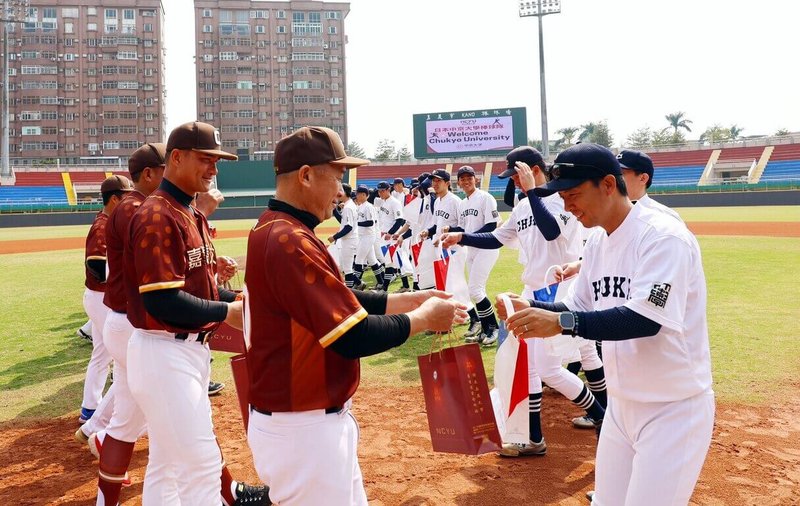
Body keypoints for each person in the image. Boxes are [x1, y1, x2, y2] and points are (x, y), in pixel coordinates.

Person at [244, 126, 467, 505]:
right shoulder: (289, 239)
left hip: (307, 422)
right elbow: (353, 336)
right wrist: (424, 318)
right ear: (306, 175)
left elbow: (336, 295)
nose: (341, 191)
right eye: (337, 177)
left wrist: (408, 300)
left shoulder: (279, 227)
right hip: (303, 429)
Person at [500, 143, 714, 505]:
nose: (568, 205)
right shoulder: (598, 240)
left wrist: (561, 322)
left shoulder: (663, 237)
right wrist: (530, 305)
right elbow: (578, 303)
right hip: (621, 405)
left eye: (574, 194)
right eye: (562, 196)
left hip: (672, 408)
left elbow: (645, 319)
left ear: (609, 185)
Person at [125, 122, 269, 505]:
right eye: (206, 159)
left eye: (216, 161)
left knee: (167, 465)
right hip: (163, 352)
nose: (214, 169)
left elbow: (197, 290)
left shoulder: (189, 212)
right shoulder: (158, 214)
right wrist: (228, 311)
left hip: (183, 352)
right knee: (201, 468)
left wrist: (235, 299)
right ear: (176, 157)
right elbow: (162, 300)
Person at [441, 146, 606, 457]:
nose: (514, 181)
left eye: (516, 174)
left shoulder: (562, 199)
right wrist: (462, 236)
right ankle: (537, 435)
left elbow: (552, 231)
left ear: (533, 170)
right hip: (533, 290)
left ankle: (599, 416)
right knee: (534, 365)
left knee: (550, 366)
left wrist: (532, 192)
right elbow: (498, 237)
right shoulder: (522, 206)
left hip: (563, 291)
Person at [78, 175, 135, 425]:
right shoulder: (103, 225)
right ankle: (100, 417)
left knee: (102, 354)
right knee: (127, 360)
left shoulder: (109, 221)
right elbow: (95, 264)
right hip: (101, 298)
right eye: (126, 197)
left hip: (100, 297)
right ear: (114, 199)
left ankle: (90, 408)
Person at [452, 165, 502, 345]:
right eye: (462, 179)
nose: (466, 181)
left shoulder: (485, 198)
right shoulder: (463, 202)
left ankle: (493, 328)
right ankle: (486, 328)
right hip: (471, 249)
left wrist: (467, 238)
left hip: (487, 248)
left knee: (475, 289)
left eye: (469, 178)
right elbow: (463, 229)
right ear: (458, 182)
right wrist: (449, 231)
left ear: (476, 179)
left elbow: (491, 225)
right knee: (476, 291)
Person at [617, 149, 683, 221]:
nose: (612, 178)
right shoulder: (605, 216)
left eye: (620, 173)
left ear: (643, 178)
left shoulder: (666, 217)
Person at [374, 181, 408, 291]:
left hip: (392, 237)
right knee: (392, 262)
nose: (380, 193)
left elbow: (399, 220)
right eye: (379, 191)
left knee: (393, 262)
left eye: (382, 191)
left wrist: (390, 233)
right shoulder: (383, 202)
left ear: (389, 190)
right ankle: (405, 286)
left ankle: (385, 288)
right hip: (385, 237)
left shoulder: (395, 202)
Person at [328, 183, 360, 288]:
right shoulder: (348, 205)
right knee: (343, 267)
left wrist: (334, 237)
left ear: (345, 193)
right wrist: (334, 209)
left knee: (347, 269)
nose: (338, 194)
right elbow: (343, 222)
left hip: (349, 240)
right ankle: (359, 283)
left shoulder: (348, 207)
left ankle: (350, 292)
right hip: (348, 239)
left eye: (339, 191)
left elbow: (348, 227)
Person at [353, 185, 384, 290]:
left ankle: (356, 283)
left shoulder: (368, 206)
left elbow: (370, 222)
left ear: (363, 195)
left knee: (359, 259)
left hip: (368, 236)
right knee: (372, 260)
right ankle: (381, 283)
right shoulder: (361, 206)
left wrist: (357, 223)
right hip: (363, 236)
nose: (356, 195)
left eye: (358, 193)